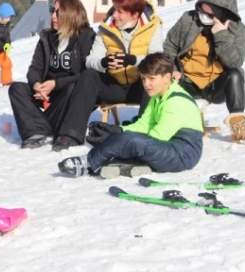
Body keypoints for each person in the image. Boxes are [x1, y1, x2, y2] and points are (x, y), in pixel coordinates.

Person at [58, 53, 203, 178]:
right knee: (128, 139)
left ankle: (89, 163)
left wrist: (120, 141)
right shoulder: (158, 96)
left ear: (167, 77)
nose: (147, 84)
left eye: (152, 79)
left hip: (182, 155)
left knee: (133, 141)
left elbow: (157, 137)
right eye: (143, 79)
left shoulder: (176, 101)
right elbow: (144, 125)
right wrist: (117, 131)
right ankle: (118, 163)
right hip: (168, 149)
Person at [53, 0, 163, 152]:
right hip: (116, 85)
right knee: (88, 75)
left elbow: (157, 60)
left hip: (141, 86)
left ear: (135, 14)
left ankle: (143, 132)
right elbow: (90, 61)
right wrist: (105, 62)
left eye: (121, 11)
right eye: (115, 9)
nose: (115, 15)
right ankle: (71, 134)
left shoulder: (153, 27)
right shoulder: (105, 29)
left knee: (155, 77)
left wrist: (132, 60)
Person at [163, 0, 245, 144]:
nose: (203, 15)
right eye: (201, 9)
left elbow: (235, 62)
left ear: (223, 12)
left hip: (215, 86)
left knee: (236, 74)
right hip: (186, 81)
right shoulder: (188, 20)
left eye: (210, 13)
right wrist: (173, 69)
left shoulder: (238, 30)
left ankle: (238, 124)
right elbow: (170, 46)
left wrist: (221, 35)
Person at [8, 0, 95, 149]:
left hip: (68, 93)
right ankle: (40, 131)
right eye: (52, 11)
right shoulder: (47, 38)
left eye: (58, 13)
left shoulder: (86, 37)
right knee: (16, 89)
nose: (53, 16)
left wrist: (55, 84)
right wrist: (36, 84)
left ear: (70, 15)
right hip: (47, 91)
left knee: (71, 89)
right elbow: (35, 67)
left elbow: (86, 76)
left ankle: (42, 129)